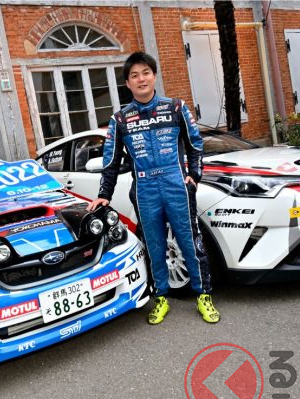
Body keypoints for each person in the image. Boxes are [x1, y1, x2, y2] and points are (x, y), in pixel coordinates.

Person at [86, 51, 220, 325]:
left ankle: (203, 295)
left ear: (154, 76)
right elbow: (111, 161)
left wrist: (194, 176)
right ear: (128, 83)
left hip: (176, 184)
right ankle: (161, 297)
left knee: (190, 242)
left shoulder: (176, 108)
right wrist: (104, 195)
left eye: (146, 73)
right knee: (154, 246)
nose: (141, 79)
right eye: (134, 75)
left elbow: (195, 145)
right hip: (145, 189)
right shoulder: (120, 120)